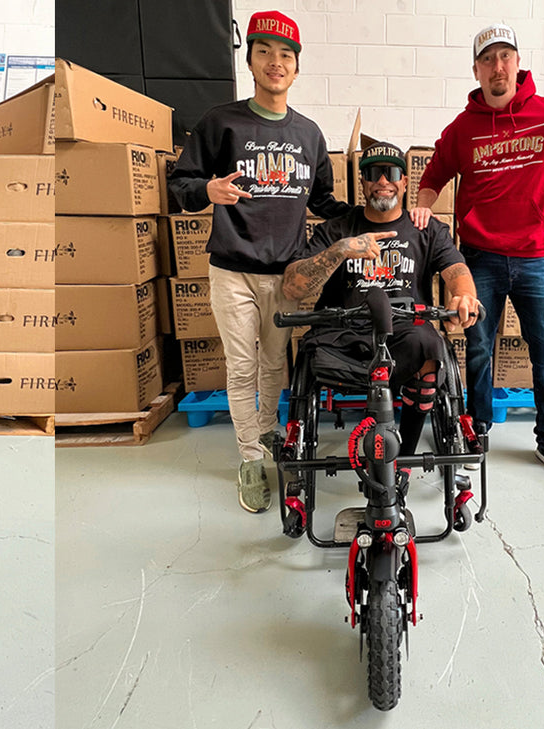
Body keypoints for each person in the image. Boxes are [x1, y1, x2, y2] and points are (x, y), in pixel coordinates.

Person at [167, 10, 356, 513]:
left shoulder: (310, 135)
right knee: (242, 364)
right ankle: (249, 456)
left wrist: (368, 217)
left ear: (297, 69)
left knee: (276, 363)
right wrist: (207, 189)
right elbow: (176, 184)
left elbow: (323, 203)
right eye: (265, 52)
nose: (276, 62)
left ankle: (271, 435)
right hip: (232, 269)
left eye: (286, 55)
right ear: (250, 60)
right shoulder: (220, 122)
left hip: (286, 274)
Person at [410, 22, 544, 492]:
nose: (498, 67)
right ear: (476, 70)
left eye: (506, 57)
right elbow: (433, 175)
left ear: (518, 62)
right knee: (477, 350)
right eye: (488, 60)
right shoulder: (462, 129)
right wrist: (421, 204)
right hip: (480, 259)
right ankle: (476, 433)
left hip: (536, 258)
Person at [283, 142, 482, 452]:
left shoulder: (425, 229)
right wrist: (341, 250)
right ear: (362, 182)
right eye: (374, 174)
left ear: (404, 181)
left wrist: (465, 297)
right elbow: (292, 287)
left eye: (391, 173)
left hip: (404, 331)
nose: (383, 182)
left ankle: (404, 454)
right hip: (342, 331)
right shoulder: (336, 229)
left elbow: (456, 270)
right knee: (312, 353)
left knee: (430, 343)